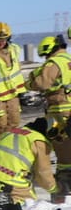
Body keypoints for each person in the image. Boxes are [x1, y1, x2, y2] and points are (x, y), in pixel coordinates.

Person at [0, 118, 60, 210]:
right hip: (10, 185)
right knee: (29, 204)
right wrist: (56, 189)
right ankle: (6, 202)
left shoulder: (12, 132)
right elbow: (43, 174)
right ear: (49, 131)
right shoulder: (39, 141)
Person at [26, 35, 71, 201]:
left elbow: (41, 84)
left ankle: (62, 195)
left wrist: (30, 81)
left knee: (64, 154)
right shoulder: (68, 60)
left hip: (60, 113)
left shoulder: (54, 63)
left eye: (46, 55)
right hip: (69, 110)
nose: (46, 59)